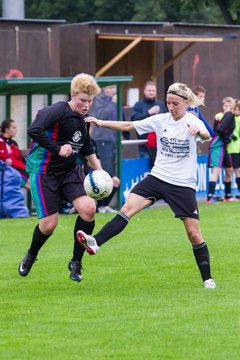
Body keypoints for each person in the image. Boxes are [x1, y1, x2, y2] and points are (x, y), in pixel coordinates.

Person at [77, 82, 216, 289]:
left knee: (194, 234)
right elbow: (129, 126)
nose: (171, 107)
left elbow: (207, 135)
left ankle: (207, 279)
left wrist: (199, 130)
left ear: (186, 103)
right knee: (126, 209)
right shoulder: (160, 120)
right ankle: (95, 242)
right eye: (168, 102)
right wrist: (100, 122)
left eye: (175, 103)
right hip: (157, 177)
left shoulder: (193, 121)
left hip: (181, 184)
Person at [18, 73, 102, 283]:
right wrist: (57, 149)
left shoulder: (84, 119)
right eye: (83, 100)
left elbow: (86, 147)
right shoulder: (57, 110)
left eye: (90, 101)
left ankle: (76, 262)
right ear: (73, 95)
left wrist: (99, 171)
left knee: (89, 209)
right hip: (44, 170)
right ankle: (31, 254)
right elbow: (33, 129)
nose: (86, 105)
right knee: (48, 225)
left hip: (69, 171)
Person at [88, 84, 124, 212]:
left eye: (114, 88)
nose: (112, 91)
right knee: (105, 172)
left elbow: (121, 117)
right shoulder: (98, 100)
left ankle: (105, 204)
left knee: (115, 174)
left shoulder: (116, 100)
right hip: (102, 140)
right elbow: (99, 116)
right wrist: (112, 104)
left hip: (114, 140)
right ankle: (101, 204)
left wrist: (125, 134)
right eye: (109, 88)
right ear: (104, 89)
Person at [207, 96, 236, 203]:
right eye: (225, 105)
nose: (227, 107)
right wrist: (227, 138)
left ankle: (227, 195)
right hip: (218, 145)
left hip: (226, 147)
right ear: (223, 106)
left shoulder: (232, 117)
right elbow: (218, 130)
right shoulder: (219, 116)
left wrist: (230, 138)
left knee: (230, 170)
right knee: (216, 171)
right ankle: (210, 197)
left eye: (229, 106)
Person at [131, 80, 167, 159]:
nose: (151, 92)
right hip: (144, 144)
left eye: (153, 90)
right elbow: (134, 119)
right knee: (147, 169)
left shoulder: (160, 104)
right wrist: (148, 113)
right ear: (144, 91)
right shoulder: (138, 105)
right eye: (149, 90)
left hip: (160, 144)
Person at [0, 119, 30, 190]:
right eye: (13, 128)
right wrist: (24, 167)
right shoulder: (1, 142)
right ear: (6, 129)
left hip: (16, 170)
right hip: (6, 171)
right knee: (31, 185)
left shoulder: (13, 143)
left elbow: (19, 158)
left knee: (33, 182)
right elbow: (7, 160)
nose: (16, 130)